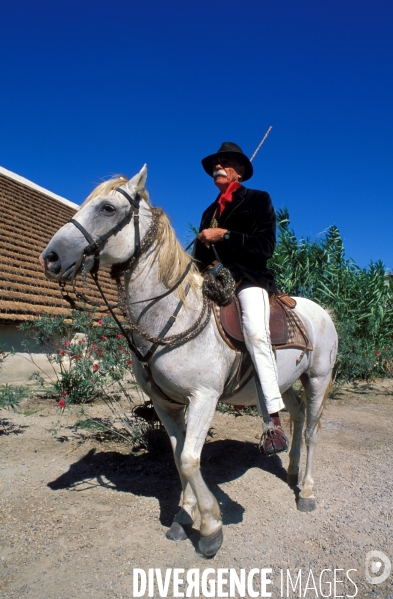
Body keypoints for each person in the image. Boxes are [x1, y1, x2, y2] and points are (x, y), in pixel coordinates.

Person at [194, 141, 288, 455]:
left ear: (240, 171)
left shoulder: (258, 200)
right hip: (214, 281)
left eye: (225, 162)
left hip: (249, 278)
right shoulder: (210, 212)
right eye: (215, 164)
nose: (218, 167)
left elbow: (265, 246)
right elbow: (198, 259)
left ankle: (272, 422)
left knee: (256, 334)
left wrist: (225, 235)